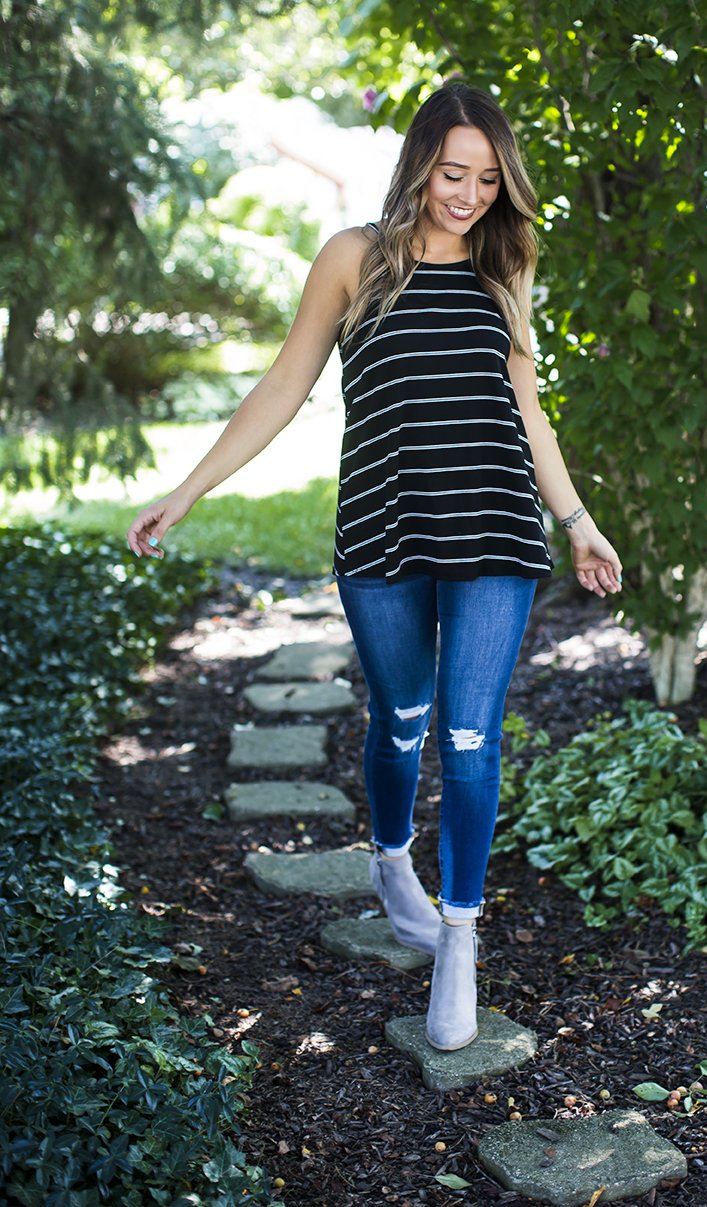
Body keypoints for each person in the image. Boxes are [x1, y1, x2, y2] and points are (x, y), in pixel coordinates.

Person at [127, 83, 623, 1053]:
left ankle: (460, 939)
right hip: (383, 529)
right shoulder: (353, 260)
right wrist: (186, 491)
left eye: (487, 179)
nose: (469, 195)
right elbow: (283, 384)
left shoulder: (501, 264)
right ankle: (389, 855)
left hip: (493, 529)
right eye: (453, 173)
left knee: (470, 735)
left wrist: (576, 520)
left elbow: (527, 412)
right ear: (419, 162)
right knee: (400, 720)